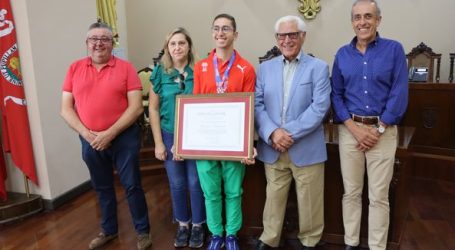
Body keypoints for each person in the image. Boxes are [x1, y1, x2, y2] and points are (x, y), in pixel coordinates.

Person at [60, 22, 152, 250]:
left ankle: (143, 232)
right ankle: (109, 230)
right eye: (94, 39)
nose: (99, 43)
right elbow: (66, 108)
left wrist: (108, 134)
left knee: (132, 185)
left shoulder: (126, 68)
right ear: (87, 43)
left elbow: (136, 108)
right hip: (89, 138)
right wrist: (87, 134)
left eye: (105, 39)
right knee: (101, 187)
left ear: (112, 43)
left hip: (124, 137)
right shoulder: (74, 68)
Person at [331, 1, 408, 249]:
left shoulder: (394, 50)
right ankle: (350, 243)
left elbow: (399, 93)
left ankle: (377, 246)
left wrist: (379, 129)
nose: (362, 22)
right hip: (349, 131)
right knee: (351, 193)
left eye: (368, 16)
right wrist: (353, 128)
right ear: (352, 22)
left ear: (378, 20)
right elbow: (336, 95)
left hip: (382, 133)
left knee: (378, 197)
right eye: (357, 17)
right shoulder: (342, 54)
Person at [254, 15, 331, 250]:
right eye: (282, 35)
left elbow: (320, 108)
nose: (287, 40)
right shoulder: (265, 69)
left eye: (292, 34)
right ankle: (269, 239)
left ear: (302, 36)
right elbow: (257, 104)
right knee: (273, 199)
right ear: (277, 39)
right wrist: (272, 133)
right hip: (273, 147)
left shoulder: (319, 68)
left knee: (310, 202)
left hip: (306, 147)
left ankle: (310, 242)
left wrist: (285, 133)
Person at [193, 13, 256, 250]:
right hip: (206, 141)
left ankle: (231, 234)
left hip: (234, 142)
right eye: (217, 28)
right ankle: (216, 234)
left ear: (235, 35)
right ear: (212, 33)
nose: (221, 33)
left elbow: (250, 110)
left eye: (226, 29)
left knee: (233, 191)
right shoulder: (201, 67)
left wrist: (248, 143)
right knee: (210, 192)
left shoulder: (246, 68)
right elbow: (194, 106)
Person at [148, 27, 206, 248]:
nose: (177, 47)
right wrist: (159, 143)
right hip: (169, 134)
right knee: (177, 183)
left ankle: (199, 225)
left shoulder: (200, 70)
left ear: (189, 46)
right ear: (167, 48)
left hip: (196, 135)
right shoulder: (160, 73)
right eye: (172, 44)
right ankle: (183, 224)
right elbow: (153, 109)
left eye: (181, 43)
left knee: (195, 181)